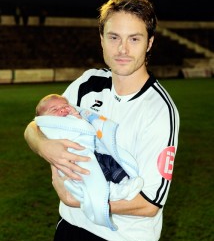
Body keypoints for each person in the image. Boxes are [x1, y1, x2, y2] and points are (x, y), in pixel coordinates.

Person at [24, 0, 180, 241]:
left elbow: (149, 204)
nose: (122, 49)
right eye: (114, 37)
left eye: (134, 38)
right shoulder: (88, 83)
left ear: (150, 43)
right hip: (71, 231)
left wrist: (81, 200)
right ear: (101, 40)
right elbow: (40, 125)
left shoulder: (159, 110)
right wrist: (42, 146)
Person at [35, 93, 143, 230]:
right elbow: (39, 133)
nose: (62, 110)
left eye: (64, 106)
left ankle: (124, 180)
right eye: (54, 110)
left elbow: (84, 127)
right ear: (43, 117)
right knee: (94, 175)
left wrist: (76, 116)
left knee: (111, 161)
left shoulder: (71, 117)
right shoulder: (48, 126)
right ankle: (112, 191)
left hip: (92, 152)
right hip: (76, 161)